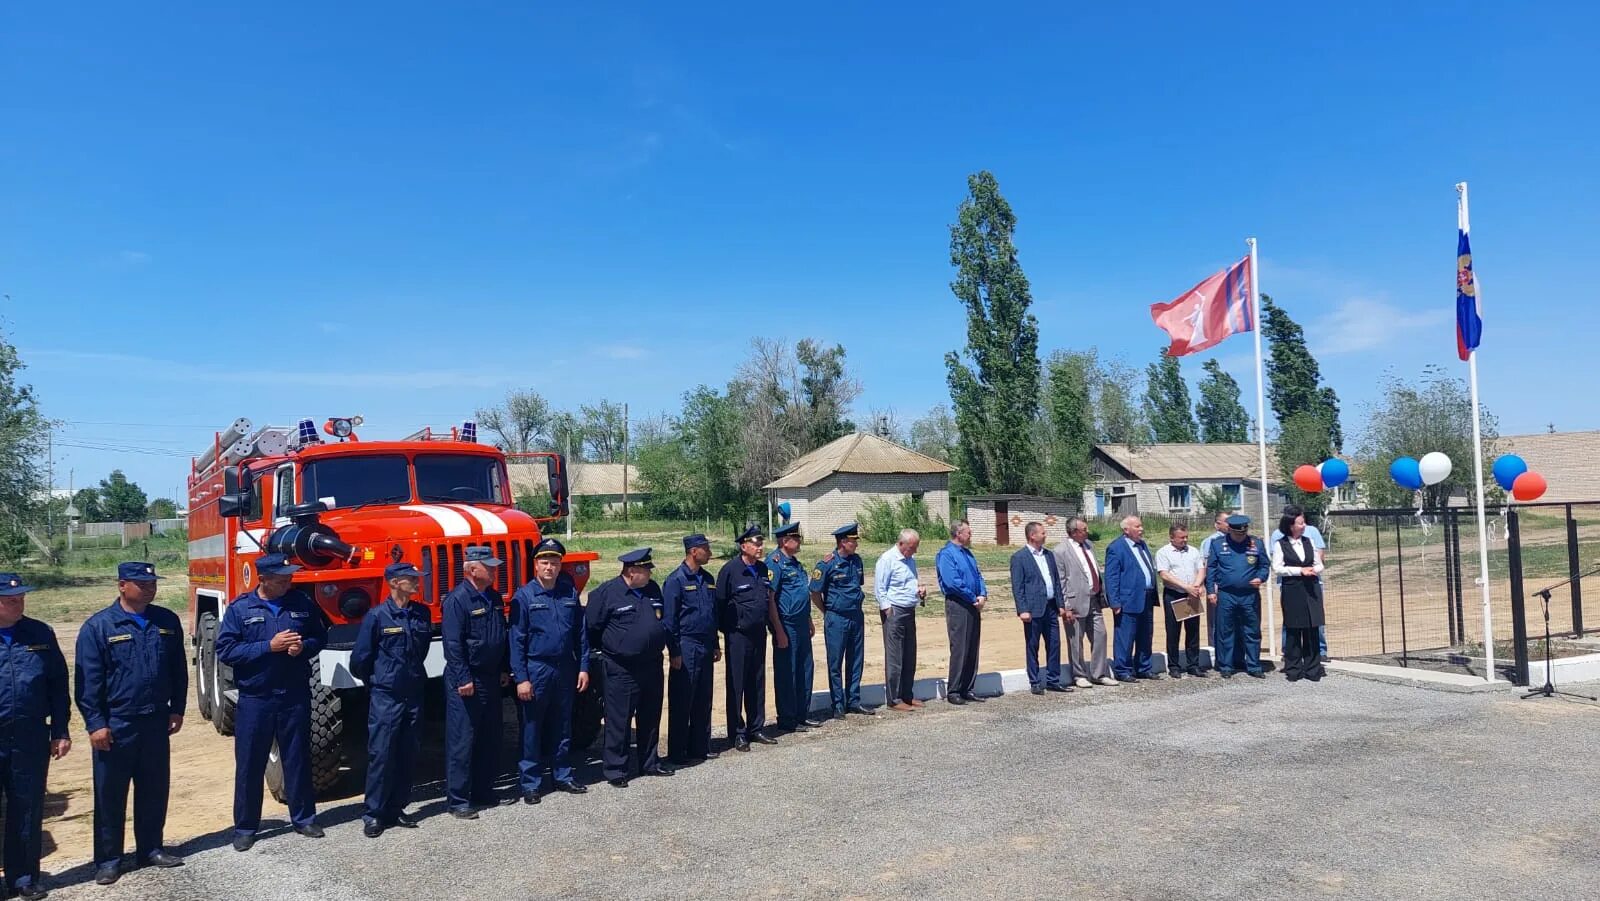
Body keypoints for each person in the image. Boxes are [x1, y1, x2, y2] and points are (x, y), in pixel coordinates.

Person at [74, 562, 186, 885]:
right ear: (122, 585)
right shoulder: (99, 627)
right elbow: (87, 682)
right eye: (141, 583)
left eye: (152, 582)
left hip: (155, 721)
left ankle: (151, 848)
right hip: (116, 724)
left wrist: (177, 708)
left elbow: (178, 670)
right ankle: (109, 859)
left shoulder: (166, 621)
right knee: (110, 794)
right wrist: (95, 723)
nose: (149, 587)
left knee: (154, 789)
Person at [215, 553, 326, 851]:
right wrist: (269, 646)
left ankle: (303, 818)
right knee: (250, 764)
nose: (287, 582)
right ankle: (246, 827)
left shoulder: (301, 603)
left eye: (289, 577)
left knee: (298, 759)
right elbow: (226, 650)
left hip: (294, 695)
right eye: (281, 579)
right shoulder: (241, 609)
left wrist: (303, 647)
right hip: (256, 698)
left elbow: (320, 637)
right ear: (263, 579)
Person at [0, 573, 70, 901]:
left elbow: (58, 685)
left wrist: (60, 730)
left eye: (21, 598)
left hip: (28, 735)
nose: (19, 604)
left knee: (26, 808)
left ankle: (23, 877)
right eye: (10, 600)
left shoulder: (40, 633)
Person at [350, 562, 432, 837]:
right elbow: (360, 659)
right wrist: (378, 681)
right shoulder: (377, 616)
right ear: (395, 583)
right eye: (411, 579)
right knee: (381, 754)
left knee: (407, 753)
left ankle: (397, 807)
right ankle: (374, 814)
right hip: (386, 695)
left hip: (413, 693)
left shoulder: (421, 613)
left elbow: (421, 650)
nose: (417, 582)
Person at [510, 538, 590, 801]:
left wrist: (584, 667)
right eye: (545, 562)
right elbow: (517, 640)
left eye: (555, 563)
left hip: (566, 668)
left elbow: (581, 635)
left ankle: (562, 775)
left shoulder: (568, 595)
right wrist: (521, 678)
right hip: (537, 669)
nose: (550, 568)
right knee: (533, 727)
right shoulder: (524, 597)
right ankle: (531, 783)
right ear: (535, 565)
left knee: (563, 724)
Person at [586, 548, 674, 786]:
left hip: (652, 665)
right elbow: (592, 629)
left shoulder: (652, 589)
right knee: (619, 720)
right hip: (621, 668)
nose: (649, 573)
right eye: (646, 569)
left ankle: (649, 763)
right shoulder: (606, 593)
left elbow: (661, 620)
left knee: (650, 716)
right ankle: (616, 770)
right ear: (632, 571)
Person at [442, 545, 511, 817]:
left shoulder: (492, 596)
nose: (495, 570)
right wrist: (463, 677)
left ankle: (483, 791)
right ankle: (458, 800)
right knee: (462, 740)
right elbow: (453, 644)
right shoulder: (457, 600)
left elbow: (499, 635)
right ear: (472, 569)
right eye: (489, 566)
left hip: (492, 677)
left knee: (489, 738)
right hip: (468, 680)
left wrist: (504, 668)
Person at [717, 526, 787, 749]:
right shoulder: (730, 570)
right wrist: (728, 629)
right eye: (756, 544)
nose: (760, 548)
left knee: (757, 682)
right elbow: (718, 604)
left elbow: (766, 600)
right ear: (743, 545)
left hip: (758, 633)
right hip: (737, 635)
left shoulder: (763, 568)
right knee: (737, 684)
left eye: (761, 544)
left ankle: (756, 728)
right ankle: (737, 732)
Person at [663, 534, 721, 765]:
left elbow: (711, 614)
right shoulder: (675, 580)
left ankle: (700, 747)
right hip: (686, 644)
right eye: (706, 549)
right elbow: (669, 620)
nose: (709, 552)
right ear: (693, 551)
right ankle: (677, 752)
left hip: (706, 643)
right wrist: (674, 651)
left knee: (703, 698)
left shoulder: (707, 578)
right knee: (682, 698)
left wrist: (715, 643)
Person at [811, 524, 873, 718]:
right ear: (843, 542)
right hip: (836, 618)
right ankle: (838, 703)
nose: (856, 544)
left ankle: (853, 700)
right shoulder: (826, 564)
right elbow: (814, 592)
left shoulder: (857, 561)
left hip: (856, 616)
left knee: (856, 660)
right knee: (835, 662)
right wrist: (827, 611)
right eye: (853, 540)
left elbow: (857, 586)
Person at [767, 523, 820, 731]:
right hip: (786, 624)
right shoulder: (775, 563)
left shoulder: (796, 564)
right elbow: (770, 599)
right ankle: (787, 719)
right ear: (783, 541)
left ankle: (801, 714)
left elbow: (802, 594)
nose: (799, 541)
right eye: (795, 538)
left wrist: (808, 620)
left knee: (805, 668)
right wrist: (778, 630)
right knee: (787, 672)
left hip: (800, 622)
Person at [1053, 518, 1115, 688]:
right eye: (1084, 529)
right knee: (1076, 641)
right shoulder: (1060, 551)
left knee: (1100, 635)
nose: (1087, 532)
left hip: (1094, 598)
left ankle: (1099, 673)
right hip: (1075, 602)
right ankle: (1079, 674)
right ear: (1074, 532)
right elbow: (1061, 580)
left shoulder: (1089, 545)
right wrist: (1066, 606)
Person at [1205, 515, 1270, 679]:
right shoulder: (1218, 545)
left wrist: (1261, 578)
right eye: (1237, 534)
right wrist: (1211, 591)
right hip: (1227, 594)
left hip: (1249, 595)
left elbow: (1264, 565)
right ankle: (1226, 665)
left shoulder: (1256, 543)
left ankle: (1254, 665)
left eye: (1244, 533)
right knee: (1226, 630)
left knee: (1252, 630)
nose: (1241, 536)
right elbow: (1211, 569)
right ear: (1230, 530)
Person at [1010, 522, 1068, 695]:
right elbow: (1017, 586)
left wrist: (1061, 605)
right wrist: (1022, 609)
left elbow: (1056, 581)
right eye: (1043, 533)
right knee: (1032, 646)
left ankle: (1053, 680)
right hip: (1033, 609)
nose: (1045, 535)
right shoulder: (1019, 558)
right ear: (1032, 536)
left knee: (1054, 644)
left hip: (1050, 607)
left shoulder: (1049, 555)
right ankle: (1035, 681)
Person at [935, 521, 987, 705]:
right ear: (958, 533)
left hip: (974, 604)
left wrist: (982, 594)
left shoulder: (968, 553)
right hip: (958, 604)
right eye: (968, 532)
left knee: (972, 646)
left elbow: (978, 575)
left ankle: (968, 688)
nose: (970, 535)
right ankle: (954, 690)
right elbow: (952, 582)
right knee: (960, 647)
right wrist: (972, 597)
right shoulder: (946, 554)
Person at [875, 529, 927, 711]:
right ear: (902, 544)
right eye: (912, 547)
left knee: (909, 654)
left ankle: (907, 694)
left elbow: (909, 583)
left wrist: (919, 591)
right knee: (895, 656)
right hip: (895, 613)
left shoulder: (910, 560)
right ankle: (894, 699)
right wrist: (888, 610)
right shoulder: (887, 559)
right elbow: (880, 588)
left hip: (909, 610)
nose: (915, 551)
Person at [1270, 505, 1329, 663]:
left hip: (1311, 588)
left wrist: (1314, 569)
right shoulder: (1280, 543)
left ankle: (1313, 666)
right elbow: (1277, 568)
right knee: (1294, 628)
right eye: (1300, 523)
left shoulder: (1309, 540)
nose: (1304, 526)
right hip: (1292, 590)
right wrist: (1299, 571)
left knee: (1312, 626)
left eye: (1304, 522)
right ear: (1291, 525)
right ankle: (1294, 666)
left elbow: (1320, 563)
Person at [1105, 516, 1159, 682]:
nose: (1141, 529)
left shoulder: (1142, 545)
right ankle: (1123, 670)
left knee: (1145, 635)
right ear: (1126, 529)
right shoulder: (1116, 548)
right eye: (1137, 526)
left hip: (1146, 597)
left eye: (1141, 525)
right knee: (1125, 637)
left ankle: (1144, 667)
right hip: (1127, 600)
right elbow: (1111, 577)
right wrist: (1114, 601)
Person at [1155, 524, 1207, 678]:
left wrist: (1196, 585)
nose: (1185, 540)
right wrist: (1186, 587)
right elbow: (1164, 574)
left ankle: (1193, 664)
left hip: (1192, 595)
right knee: (1173, 632)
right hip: (1174, 594)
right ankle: (1174, 665)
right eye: (1181, 537)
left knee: (1193, 631)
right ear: (1172, 537)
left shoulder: (1193, 551)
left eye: (1186, 537)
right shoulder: (1163, 552)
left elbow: (1201, 569)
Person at [1200, 511, 1230, 650]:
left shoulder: (1234, 539)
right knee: (1215, 620)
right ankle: (1215, 649)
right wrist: (1210, 586)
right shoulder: (1211, 541)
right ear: (1217, 524)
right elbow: (1206, 566)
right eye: (1227, 522)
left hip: (1230, 587)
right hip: (1217, 586)